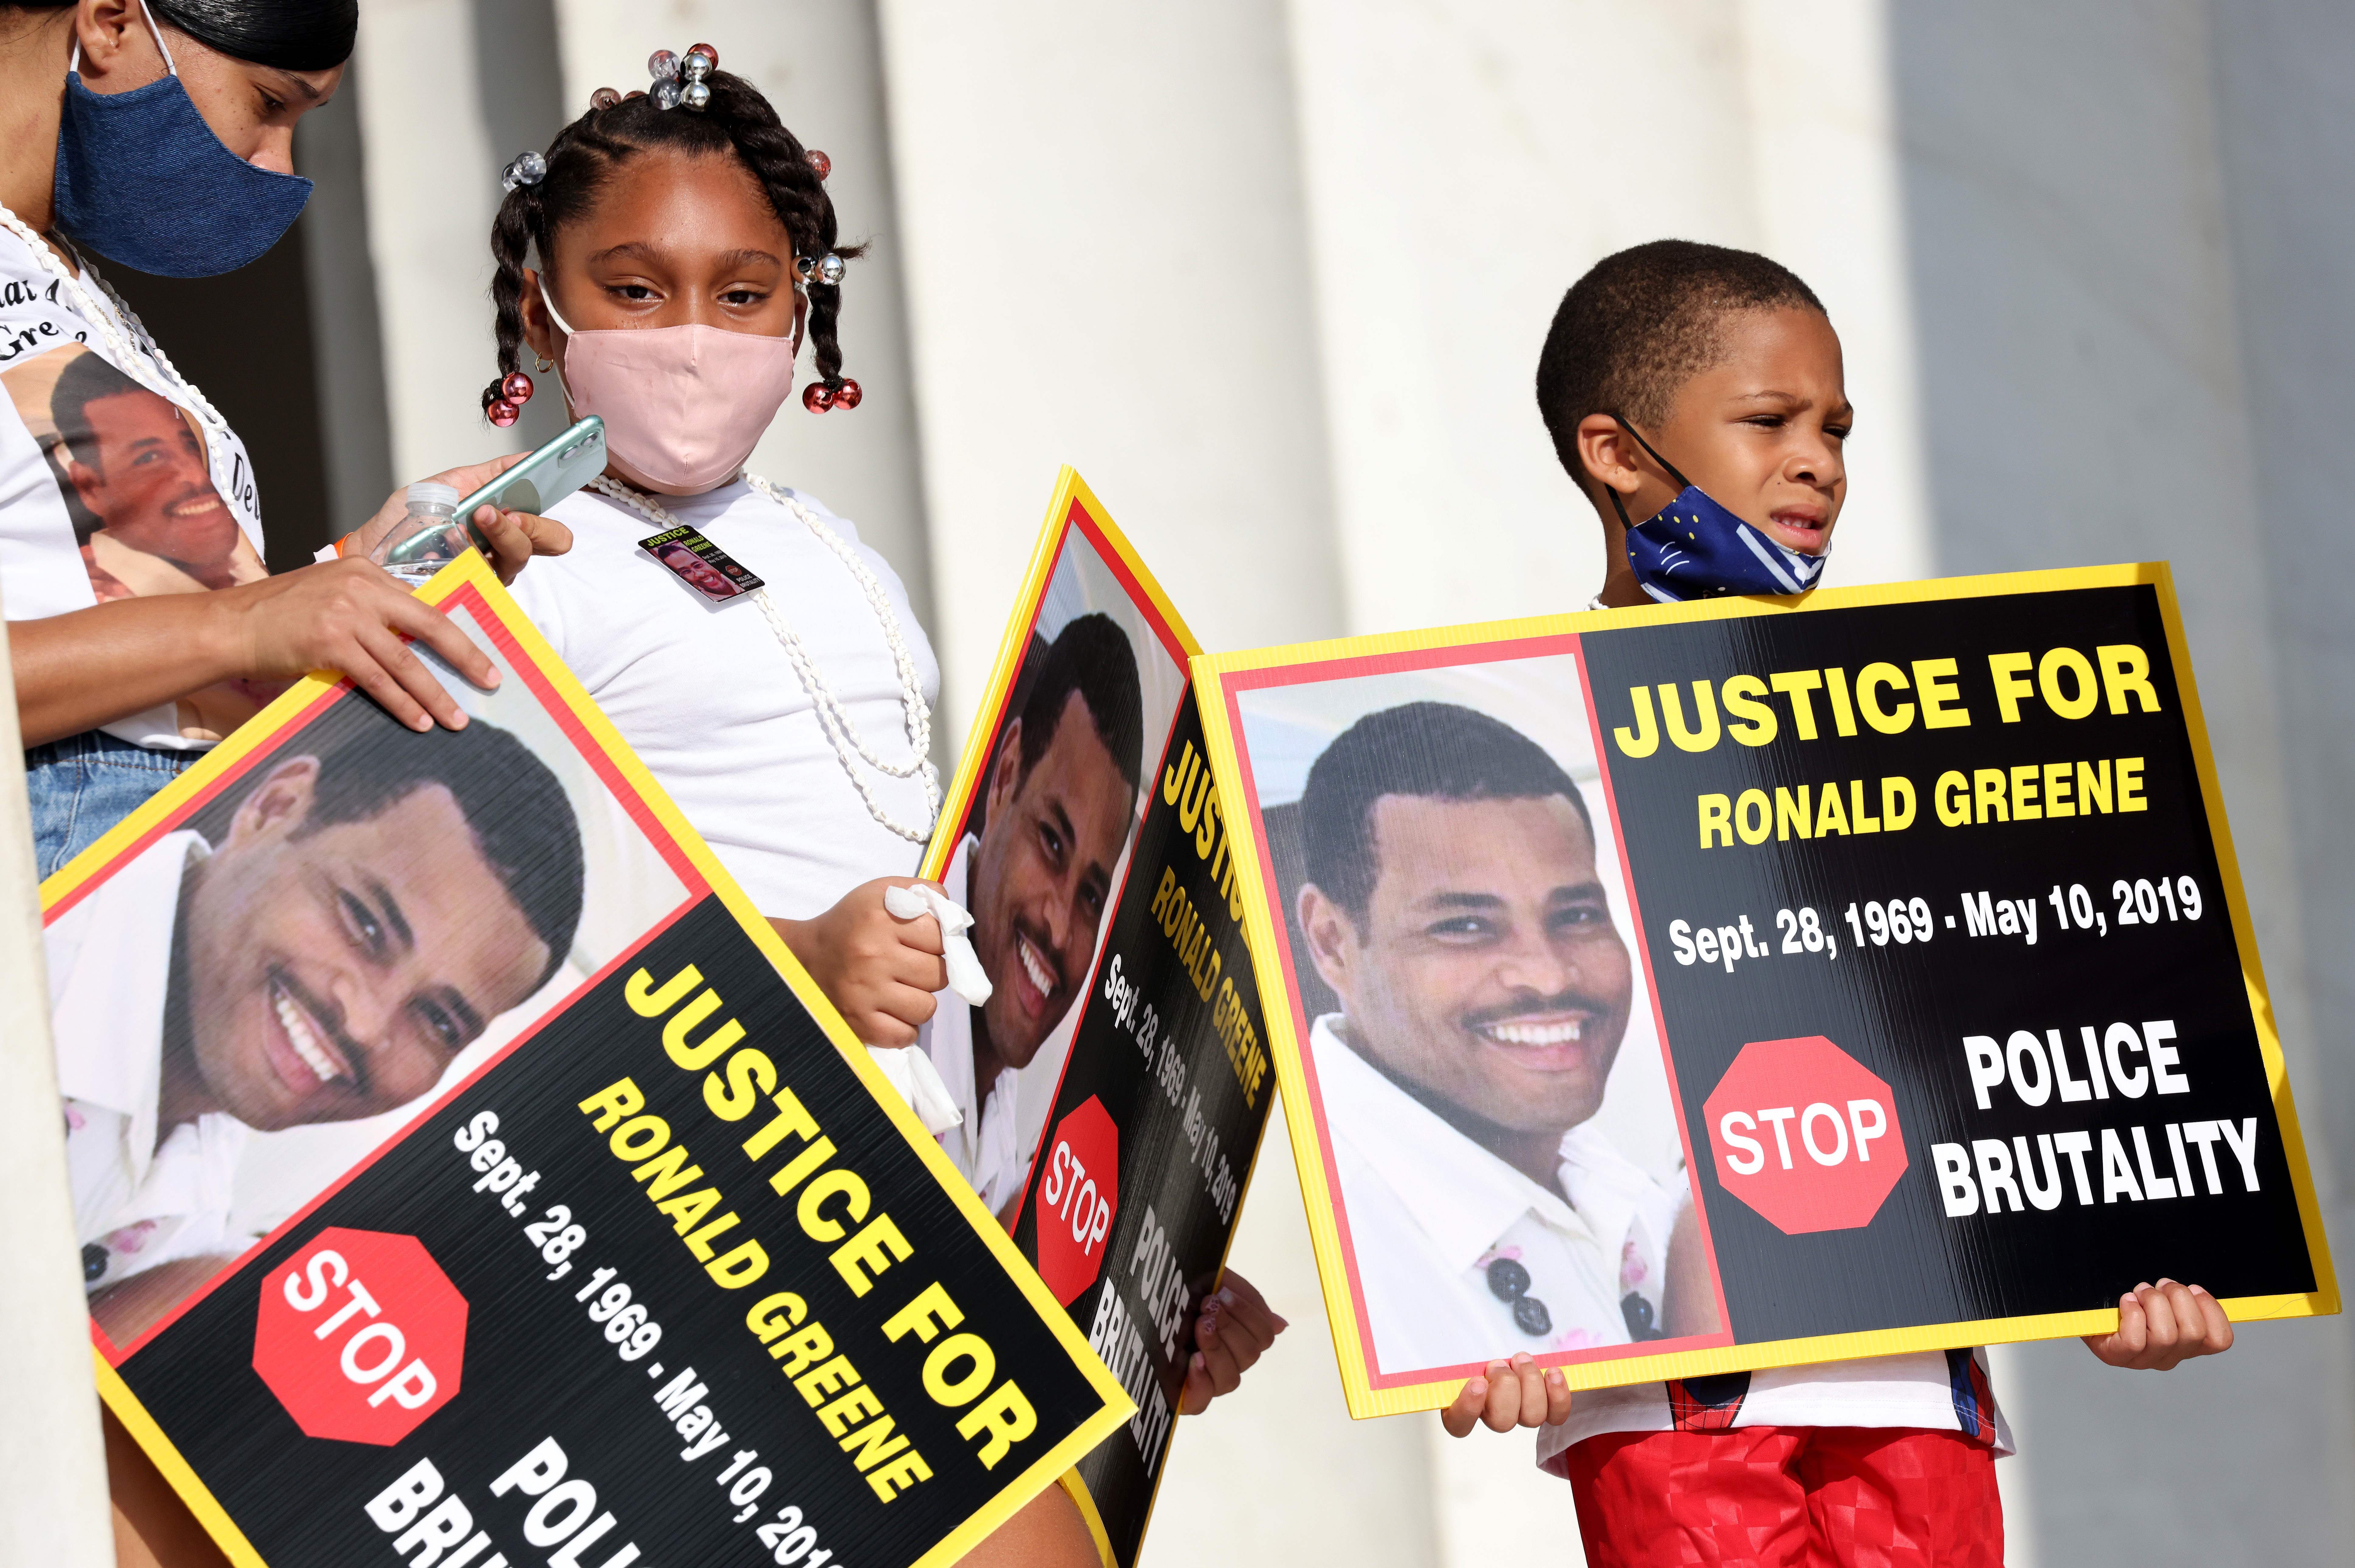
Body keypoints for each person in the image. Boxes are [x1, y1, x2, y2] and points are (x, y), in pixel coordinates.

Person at [445, 55, 1279, 1564]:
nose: (691, 336)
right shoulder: (516, 570)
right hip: (715, 1174)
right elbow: (476, 937)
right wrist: (790, 959)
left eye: (742, 292)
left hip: (907, 1170)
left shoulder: (837, 552)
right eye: (633, 290)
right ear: (537, 309)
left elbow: (933, 934)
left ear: (802, 310)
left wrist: (1126, 1273)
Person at [1439, 238, 2234, 1568]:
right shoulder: (1507, 749)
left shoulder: (1943, 733)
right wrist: (1487, 1325)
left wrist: (2124, 1260)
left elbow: (2030, 1026)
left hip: (1912, 1381)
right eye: (1770, 423)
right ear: (1616, 452)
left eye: (1838, 429)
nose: (1821, 463)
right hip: (1666, 1400)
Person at [0, 0, 571, 883]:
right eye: (271, 104)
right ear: (111, 22)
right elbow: (223, 633)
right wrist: (247, 624)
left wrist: (357, 571)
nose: (280, 165)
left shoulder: (66, 279)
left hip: (188, 843)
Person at [50, 696, 585, 1345]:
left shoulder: (203, 1228)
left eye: (440, 1021)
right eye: (365, 922)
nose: (365, 1023)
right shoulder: (41, 897)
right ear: (274, 809)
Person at [1292, 699, 1713, 1376]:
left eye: (1576, 913)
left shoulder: (1627, 1193)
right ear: (1330, 940)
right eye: (1464, 926)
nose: (1547, 974)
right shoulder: (1299, 1239)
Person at [918, 613, 1144, 1214]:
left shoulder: (1020, 1136)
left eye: (1091, 895)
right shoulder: (874, 983)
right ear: (1006, 775)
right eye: (1051, 841)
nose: (1061, 925)